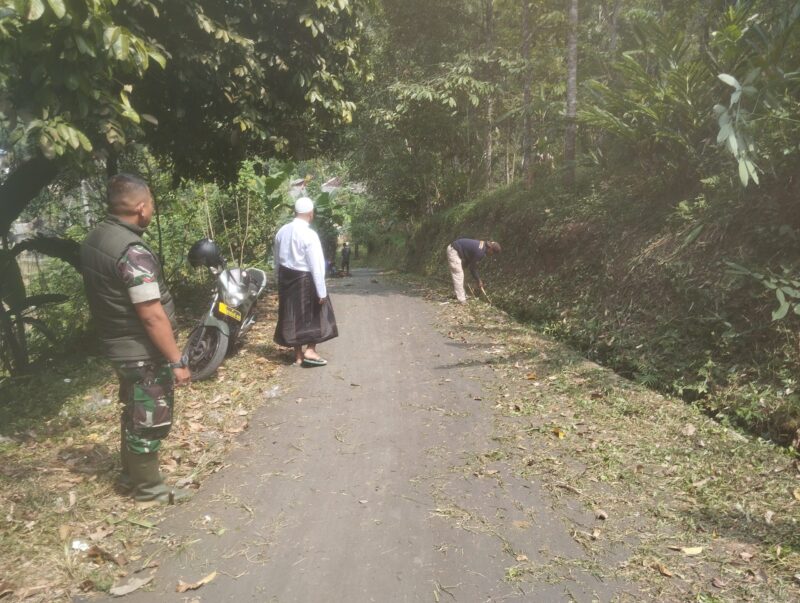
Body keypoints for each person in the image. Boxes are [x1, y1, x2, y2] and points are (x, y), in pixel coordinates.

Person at [80, 174, 192, 504]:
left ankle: (130, 476)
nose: (152, 211)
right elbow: (150, 313)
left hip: (117, 344)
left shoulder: (95, 238)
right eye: (152, 205)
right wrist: (176, 361)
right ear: (141, 208)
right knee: (149, 418)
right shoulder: (131, 251)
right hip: (141, 349)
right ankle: (150, 489)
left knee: (132, 410)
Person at [273, 197, 338, 366]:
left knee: (292, 315)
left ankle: (298, 356)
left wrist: (277, 280)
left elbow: (276, 260)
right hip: (305, 279)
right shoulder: (309, 234)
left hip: (285, 278)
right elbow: (316, 264)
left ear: (295, 212)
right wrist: (321, 290)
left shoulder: (282, 231)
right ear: (311, 214)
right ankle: (310, 349)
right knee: (316, 312)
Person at [446, 238, 502, 303]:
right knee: (459, 275)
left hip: (456, 250)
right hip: (454, 251)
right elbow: (472, 268)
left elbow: (469, 258)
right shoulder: (480, 252)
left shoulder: (483, 245)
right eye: (492, 253)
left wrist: (464, 267)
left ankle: (458, 294)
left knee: (460, 275)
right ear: (491, 249)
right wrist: (478, 280)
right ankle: (461, 300)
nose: (491, 255)